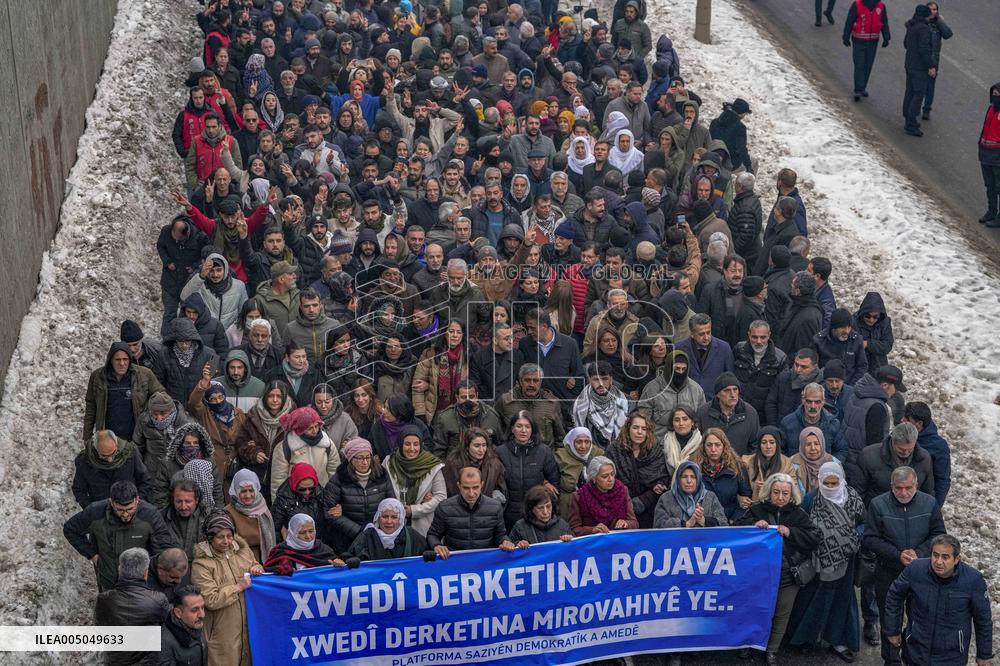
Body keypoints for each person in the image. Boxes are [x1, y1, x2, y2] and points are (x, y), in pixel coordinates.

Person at [863, 466, 946, 664]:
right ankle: (891, 660)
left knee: (920, 619)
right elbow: (870, 539)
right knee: (889, 619)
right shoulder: (878, 505)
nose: (904, 493)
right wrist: (896, 555)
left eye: (908, 488)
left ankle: (914, 658)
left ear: (916, 485)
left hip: (922, 573)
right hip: (889, 572)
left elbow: (939, 534)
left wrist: (919, 553)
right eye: (899, 488)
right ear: (891, 486)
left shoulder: (929, 503)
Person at [738, 473, 821, 665]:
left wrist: (791, 532)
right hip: (758, 573)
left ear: (792, 495)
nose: (780, 497)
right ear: (768, 492)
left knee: (782, 613)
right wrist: (753, 526)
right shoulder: (756, 510)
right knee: (753, 609)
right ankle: (748, 645)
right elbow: (737, 530)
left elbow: (814, 537)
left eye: (785, 493)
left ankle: (772, 650)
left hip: (787, 573)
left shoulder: (799, 514)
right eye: (776, 492)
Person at [787, 461, 866, 661]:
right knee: (813, 600)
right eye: (826, 483)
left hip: (846, 561)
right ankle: (806, 638)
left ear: (841, 480)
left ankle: (838, 642)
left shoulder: (853, 498)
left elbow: (864, 523)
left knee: (841, 601)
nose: (830, 487)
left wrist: (851, 538)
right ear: (820, 481)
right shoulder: (812, 499)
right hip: (817, 561)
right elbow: (800, 523)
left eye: (834, 483)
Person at [884, 534, 993, 666]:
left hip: (951, 658)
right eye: (935, 555)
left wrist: (984, 654)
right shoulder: (916, 569)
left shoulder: (973, 581)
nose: (939, 561)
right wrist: (893, 630)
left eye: (945, 557)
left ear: (956, 559)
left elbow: (983, 619)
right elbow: (894, 595)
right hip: (916, 651)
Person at [64, 480, 177, 592]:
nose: (125, 514)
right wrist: (92, 555)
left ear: (137, 500)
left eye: (130, 509)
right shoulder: (95, 512)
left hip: (140, 584)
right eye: (120, 510)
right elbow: (70, 529)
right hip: (109, 580)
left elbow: (163, 548)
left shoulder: (150, 515)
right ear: (111, 502)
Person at [191, 510, 265, 666]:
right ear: (210, 538)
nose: (226, 541)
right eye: (220, 537)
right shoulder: (201, 564)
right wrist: (238, 587)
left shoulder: (243, 551)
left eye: (229, 536)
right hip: (221, 632)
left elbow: (255, 566)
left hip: (249, 625)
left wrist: (258, 568)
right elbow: (211, 600)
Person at [95, 548, 171, 666]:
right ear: (146, 572)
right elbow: (165, 629)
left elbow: (100, 627)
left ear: (120, 569)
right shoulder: (158, 600)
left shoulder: (104, 599)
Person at [321, 438, 396, 553]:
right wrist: (358, 531)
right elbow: (329, 512)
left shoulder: (381, 475)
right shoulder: (339, 479)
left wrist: (377, 529)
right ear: (350, 459)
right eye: (360, 458)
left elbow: (392, 503)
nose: (365, 462)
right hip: (347, 539)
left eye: (367, 457)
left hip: (378, 536)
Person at [83, 341, 164, 443]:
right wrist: (87, 437)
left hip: (136, 437)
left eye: (125, 359)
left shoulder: (144, 374)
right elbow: (90, 407)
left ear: (130, 360)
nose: (122, 363)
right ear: (110, 360)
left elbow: (161, 396)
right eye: (118, 360)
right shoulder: (98, 377)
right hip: (108, 438)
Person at [426, 467, 514, 556]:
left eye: (475, 487)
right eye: (466, 488)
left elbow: (501, 535)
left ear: (482, 485)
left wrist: (505, 541)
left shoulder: (495, 507)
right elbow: (433, 535)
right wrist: (436, 545)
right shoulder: (445, 507)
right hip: (455, 561)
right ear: (459, 486)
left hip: (485, 561)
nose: (471, 493)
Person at [496, 411, 561, 529]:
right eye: (519, 426)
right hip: (509, 514)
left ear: (533, 429)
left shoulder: (544, 451)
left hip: (537, 514)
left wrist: (546, 485)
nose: (523, 430)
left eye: (527, 426)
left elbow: (554, 481)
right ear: (512, 429)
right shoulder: (500, 452)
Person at [606, 412, 671, 528]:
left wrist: (642, 501)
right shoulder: (614, 450)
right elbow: (609, 482)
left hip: (650, 506)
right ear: (628, 429)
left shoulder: (655, 451)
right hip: (620, 508)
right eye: (635, 427)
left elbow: (661, 480)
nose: (639, 432)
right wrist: (629, 505)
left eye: (644, 428)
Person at [852, 421, 935, 504]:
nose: (906, 453)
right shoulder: (868, 456)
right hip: (878, 512)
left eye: (910, 449)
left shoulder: (924, 458)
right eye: (901, 449)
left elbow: (928, 492)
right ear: (893, 440)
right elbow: (858, 491)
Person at [386, 426, 447, 536]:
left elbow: (441, 497)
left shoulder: (433, 465)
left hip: (423, 526)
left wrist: (414, 510)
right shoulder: (389, 462)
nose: (412, 448)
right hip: (393, 524)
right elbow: (383, 488)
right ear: (400, 444)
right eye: (407, 444)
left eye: (416, 444)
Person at [269, 406, 341, 498]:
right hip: (294, 500)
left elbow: (334, 474)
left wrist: (334, 499)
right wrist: (280, 506)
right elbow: (278, 482)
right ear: (299, 429)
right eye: (310, 428)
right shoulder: (284, 447)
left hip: (322, 497)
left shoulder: (327, 444)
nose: (315, 431)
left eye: (316, 426)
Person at [72, 430, 148, 508]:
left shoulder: (131, 453)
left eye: (113, 453)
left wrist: (136, 503)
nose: (110, 459)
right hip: (100, 511)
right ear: (96, 448)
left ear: (117, 444)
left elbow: (144, 480)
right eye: (104, 456)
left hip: (128, 509)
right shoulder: (84, 460)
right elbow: (79, 489)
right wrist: (90, 508)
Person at [690, 428, 752, 523]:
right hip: (703, 522)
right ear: (703, 447)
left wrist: (733, 520)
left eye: (717, 445)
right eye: (709, 445)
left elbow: (746, 500)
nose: (713, 449)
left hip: (731, 521)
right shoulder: (694, 468)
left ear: (724, 446)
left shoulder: (738, 467)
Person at [567, 456, 640, 535]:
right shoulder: (579, 496)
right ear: (594, 478)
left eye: (612, 474)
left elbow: (634, 523)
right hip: (593, 544)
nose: (610, 479)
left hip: (619, 541)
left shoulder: (622, 491)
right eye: (605, 476)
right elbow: (574, 529)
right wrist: (592, 530)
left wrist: (626, 523)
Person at [695, 372, 760, 455]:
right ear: (718, 394)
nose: (732, 394)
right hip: (710, 464)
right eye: (727, 390)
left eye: (735, 389)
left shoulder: (750, 413)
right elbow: (696, 443)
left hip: (740, 465)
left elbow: (756, 444)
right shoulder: (703, 413)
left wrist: (747, 461)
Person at [346, 498, 430, 561]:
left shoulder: (411, 535)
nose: (389, 521)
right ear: (378, 518)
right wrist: (353, 561)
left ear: (400, 519)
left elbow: (428, 551)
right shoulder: (367, 535)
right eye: (385, 516)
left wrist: (429, 556)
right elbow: (347, 557)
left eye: (394, 517)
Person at [903, 401, 951, 507]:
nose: (902, 421)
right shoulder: (900, 436)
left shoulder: (938, 447)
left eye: (907, 420)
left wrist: (935, 509)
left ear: (919, 424)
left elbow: (942, 480)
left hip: (920, 501)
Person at [654, 461, 728, 528]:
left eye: (693, 477)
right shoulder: (666, 498)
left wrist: (704, 521)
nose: (689, 481)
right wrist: (686, 524)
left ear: (698, 479)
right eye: (684, 477)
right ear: (678, 479)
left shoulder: (710, 497)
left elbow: (723, 523)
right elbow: (658, 525)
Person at [842, 0, 891, 102]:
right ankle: (858, 89)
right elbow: (850, 20)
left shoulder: (881, 6)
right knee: (859, 64)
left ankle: (862, 86)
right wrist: (846, 36)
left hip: (873, 40)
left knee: (868, 65)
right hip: (858, 40)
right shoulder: (857, 4)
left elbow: (884, 22)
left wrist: (886, 37)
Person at [224, 469, 276, 564]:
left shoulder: (262, 507)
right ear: (236, 492)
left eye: (251, 490)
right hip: (241, 562)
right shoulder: (229, 513)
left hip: (266, 560)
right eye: (243, 491)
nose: (248, 495)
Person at [442, 427, 508, 500]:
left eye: (484, 445)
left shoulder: (494, 464)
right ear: (467, 447)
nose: (481, 450)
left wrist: (497, 492)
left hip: (488, 508)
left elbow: (502, 486)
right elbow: (450, 491)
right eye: (477, 446)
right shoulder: (453, 464)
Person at [263, 513, 342, 574]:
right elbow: (269, 574)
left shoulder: (322, 549)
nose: (308, 536)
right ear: (293, 533)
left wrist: (338, 563)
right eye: (302, 532)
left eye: (311, 531)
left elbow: (335, 571)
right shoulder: (281, 551)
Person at [554, 427, 606, 516]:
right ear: (572, 441)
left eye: (587, 442)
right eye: (579, 442)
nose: (583, 446)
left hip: (595, 504)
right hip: (568, 506)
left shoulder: (599, 455)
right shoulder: (560, 456)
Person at [901, 5, 935, 137]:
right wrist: (931, 66)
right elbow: (924, 49)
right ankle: (911, 122)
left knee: (909, 91)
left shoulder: (911, 25)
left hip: (909, 63)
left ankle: (908, 118)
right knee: (919, 93)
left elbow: (905, 44)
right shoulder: (924, 29)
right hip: (919, 67)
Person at [158, 585, 209, 664]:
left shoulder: (194, 626)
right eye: (194, 610)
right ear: (178, 613)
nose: (202, 615)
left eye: (202, 608)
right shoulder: (163, 642)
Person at [507, 485, 574, 545]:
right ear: (531, 509)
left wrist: (571, 541)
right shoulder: (520, 527)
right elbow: (508, 552)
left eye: (548, 506)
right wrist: (517, 544)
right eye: (540, 508)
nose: (545, 512)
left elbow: (575, 551)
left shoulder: (563, 526)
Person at [743, 427, 795, 502]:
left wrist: (769, 488)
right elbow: (738, 488)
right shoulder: (747, 462)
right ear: (759, 445)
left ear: (777, 444)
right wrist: (740, 498)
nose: (768, 446)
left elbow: (794, 488)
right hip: (753, 506)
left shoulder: (787, 463)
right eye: (764, 442)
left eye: (772, 442)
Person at [790, 426, 836, 497]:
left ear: (822, 444)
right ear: (802, 446)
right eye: (808, 444)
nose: (813, 448)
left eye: (817, 444)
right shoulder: (791, 464)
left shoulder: (834, 463)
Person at [978, 82, 1000, 226]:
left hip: (997, 156)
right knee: (990, 186)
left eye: (997, 95)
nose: (994, 97)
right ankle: (991, 211)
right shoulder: (991, 109)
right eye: (993, 94)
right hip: (986, 154)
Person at [661, 405, 703, 470]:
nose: (681, 423)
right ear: (672, 423)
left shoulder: (701, 444)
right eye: (677, 420)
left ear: (692, 422)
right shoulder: (664, 443)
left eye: (685, 419)